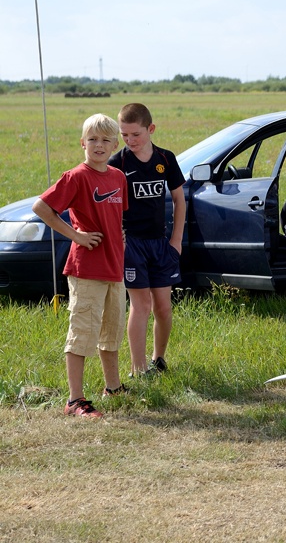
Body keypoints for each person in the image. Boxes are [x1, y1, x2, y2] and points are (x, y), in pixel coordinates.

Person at [32, 114, 128, 417]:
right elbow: (42, 207)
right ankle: (75, 400)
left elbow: (116, 217)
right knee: (82, 333)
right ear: (82, 143)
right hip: (87, 269)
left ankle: (113, 387)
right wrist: (76, 235)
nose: (99, 145)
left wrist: (119, 237)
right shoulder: (77, 176)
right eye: (93, 139)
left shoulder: (118, 176)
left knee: (111, 332)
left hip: (115, 267)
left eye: (105, 140)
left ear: (115, 143)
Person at [111, 103, 186, 376]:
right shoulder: (117, 162)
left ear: (150, 129)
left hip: (160, 243)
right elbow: (106, 200)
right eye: (124, 135)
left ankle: (159, 358)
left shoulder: (165, 159)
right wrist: (115, 234)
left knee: (163, 308)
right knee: (140, 306)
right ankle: (138, 368)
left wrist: (176, 240)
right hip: (132, 244)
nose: (130, 141)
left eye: (136, 134)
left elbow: (179, 199)